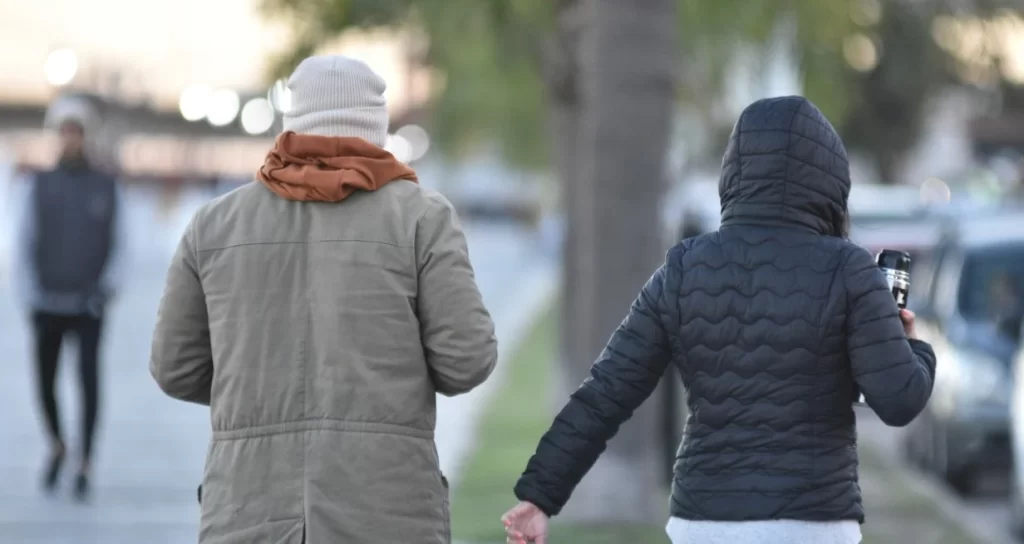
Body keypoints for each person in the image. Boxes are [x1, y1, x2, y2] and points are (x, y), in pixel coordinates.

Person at [502, 96, 937, 544]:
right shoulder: (849, 269)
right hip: (813, 522)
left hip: (705, 522)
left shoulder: (685, 267)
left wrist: (540, 495)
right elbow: (899, 401)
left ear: (735, 170)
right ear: (829, 179)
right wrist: (914, 347)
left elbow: (607, 391)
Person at [150, 55, 498, 544]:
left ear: (292, 122)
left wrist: (257, 389)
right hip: (386, 511)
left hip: (248, 507)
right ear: (375, 128)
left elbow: (174, 368)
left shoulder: (214, 224)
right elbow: (466, 361)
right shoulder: (422, 218)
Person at [12, 98, 128, 501]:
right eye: (64, 131)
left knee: (88, 381)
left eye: (76, 131)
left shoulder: (106, 185)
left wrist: (107, 288)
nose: (70, 138)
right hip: (47, 301)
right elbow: (24, 240)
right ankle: (58, 443)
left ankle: (86, 459)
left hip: (88, 303)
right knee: (45, 382)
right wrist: (29, 292)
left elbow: (120, 241)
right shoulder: (38, 184)